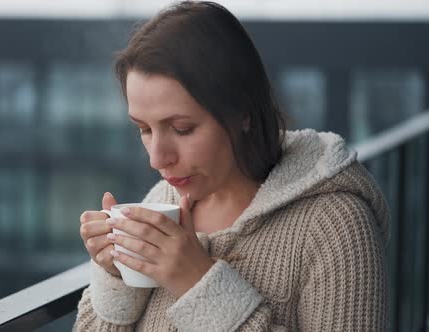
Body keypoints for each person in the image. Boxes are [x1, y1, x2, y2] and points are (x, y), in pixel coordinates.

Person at [74, 1, 389, 331]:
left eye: (182, 129)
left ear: (243, 113)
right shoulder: (163, 200)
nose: (156, 158)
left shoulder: (336, 227)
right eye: (144, 129)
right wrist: (115, 276)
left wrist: (198, 283)